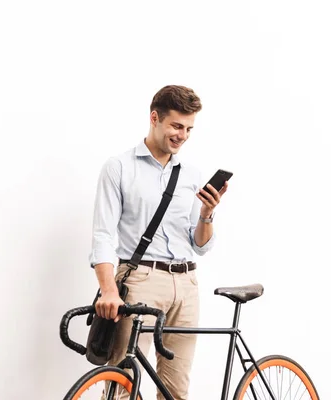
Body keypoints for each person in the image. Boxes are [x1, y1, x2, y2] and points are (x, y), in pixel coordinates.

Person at [89, 85, 229, 400]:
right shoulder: (120, 167)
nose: (183, 135)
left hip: (187, 284)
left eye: (189, 128)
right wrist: (110, 289)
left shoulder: (191, 174)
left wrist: (207, 213)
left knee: (176, 390)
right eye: (177, 126)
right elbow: (102, 235)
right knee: (123, 385)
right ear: (155, 118)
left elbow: (201, 245)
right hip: (141, 281)